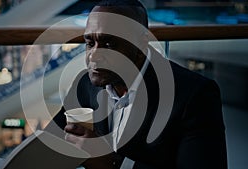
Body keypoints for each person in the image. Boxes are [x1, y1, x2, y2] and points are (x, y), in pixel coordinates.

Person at [45, 0, 227, 168]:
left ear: (140, 45)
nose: (93, 55)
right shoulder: (86, 83)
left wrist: (112, 164)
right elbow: (48, 141)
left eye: (108, 44)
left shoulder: (195, 96)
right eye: (90, 43)